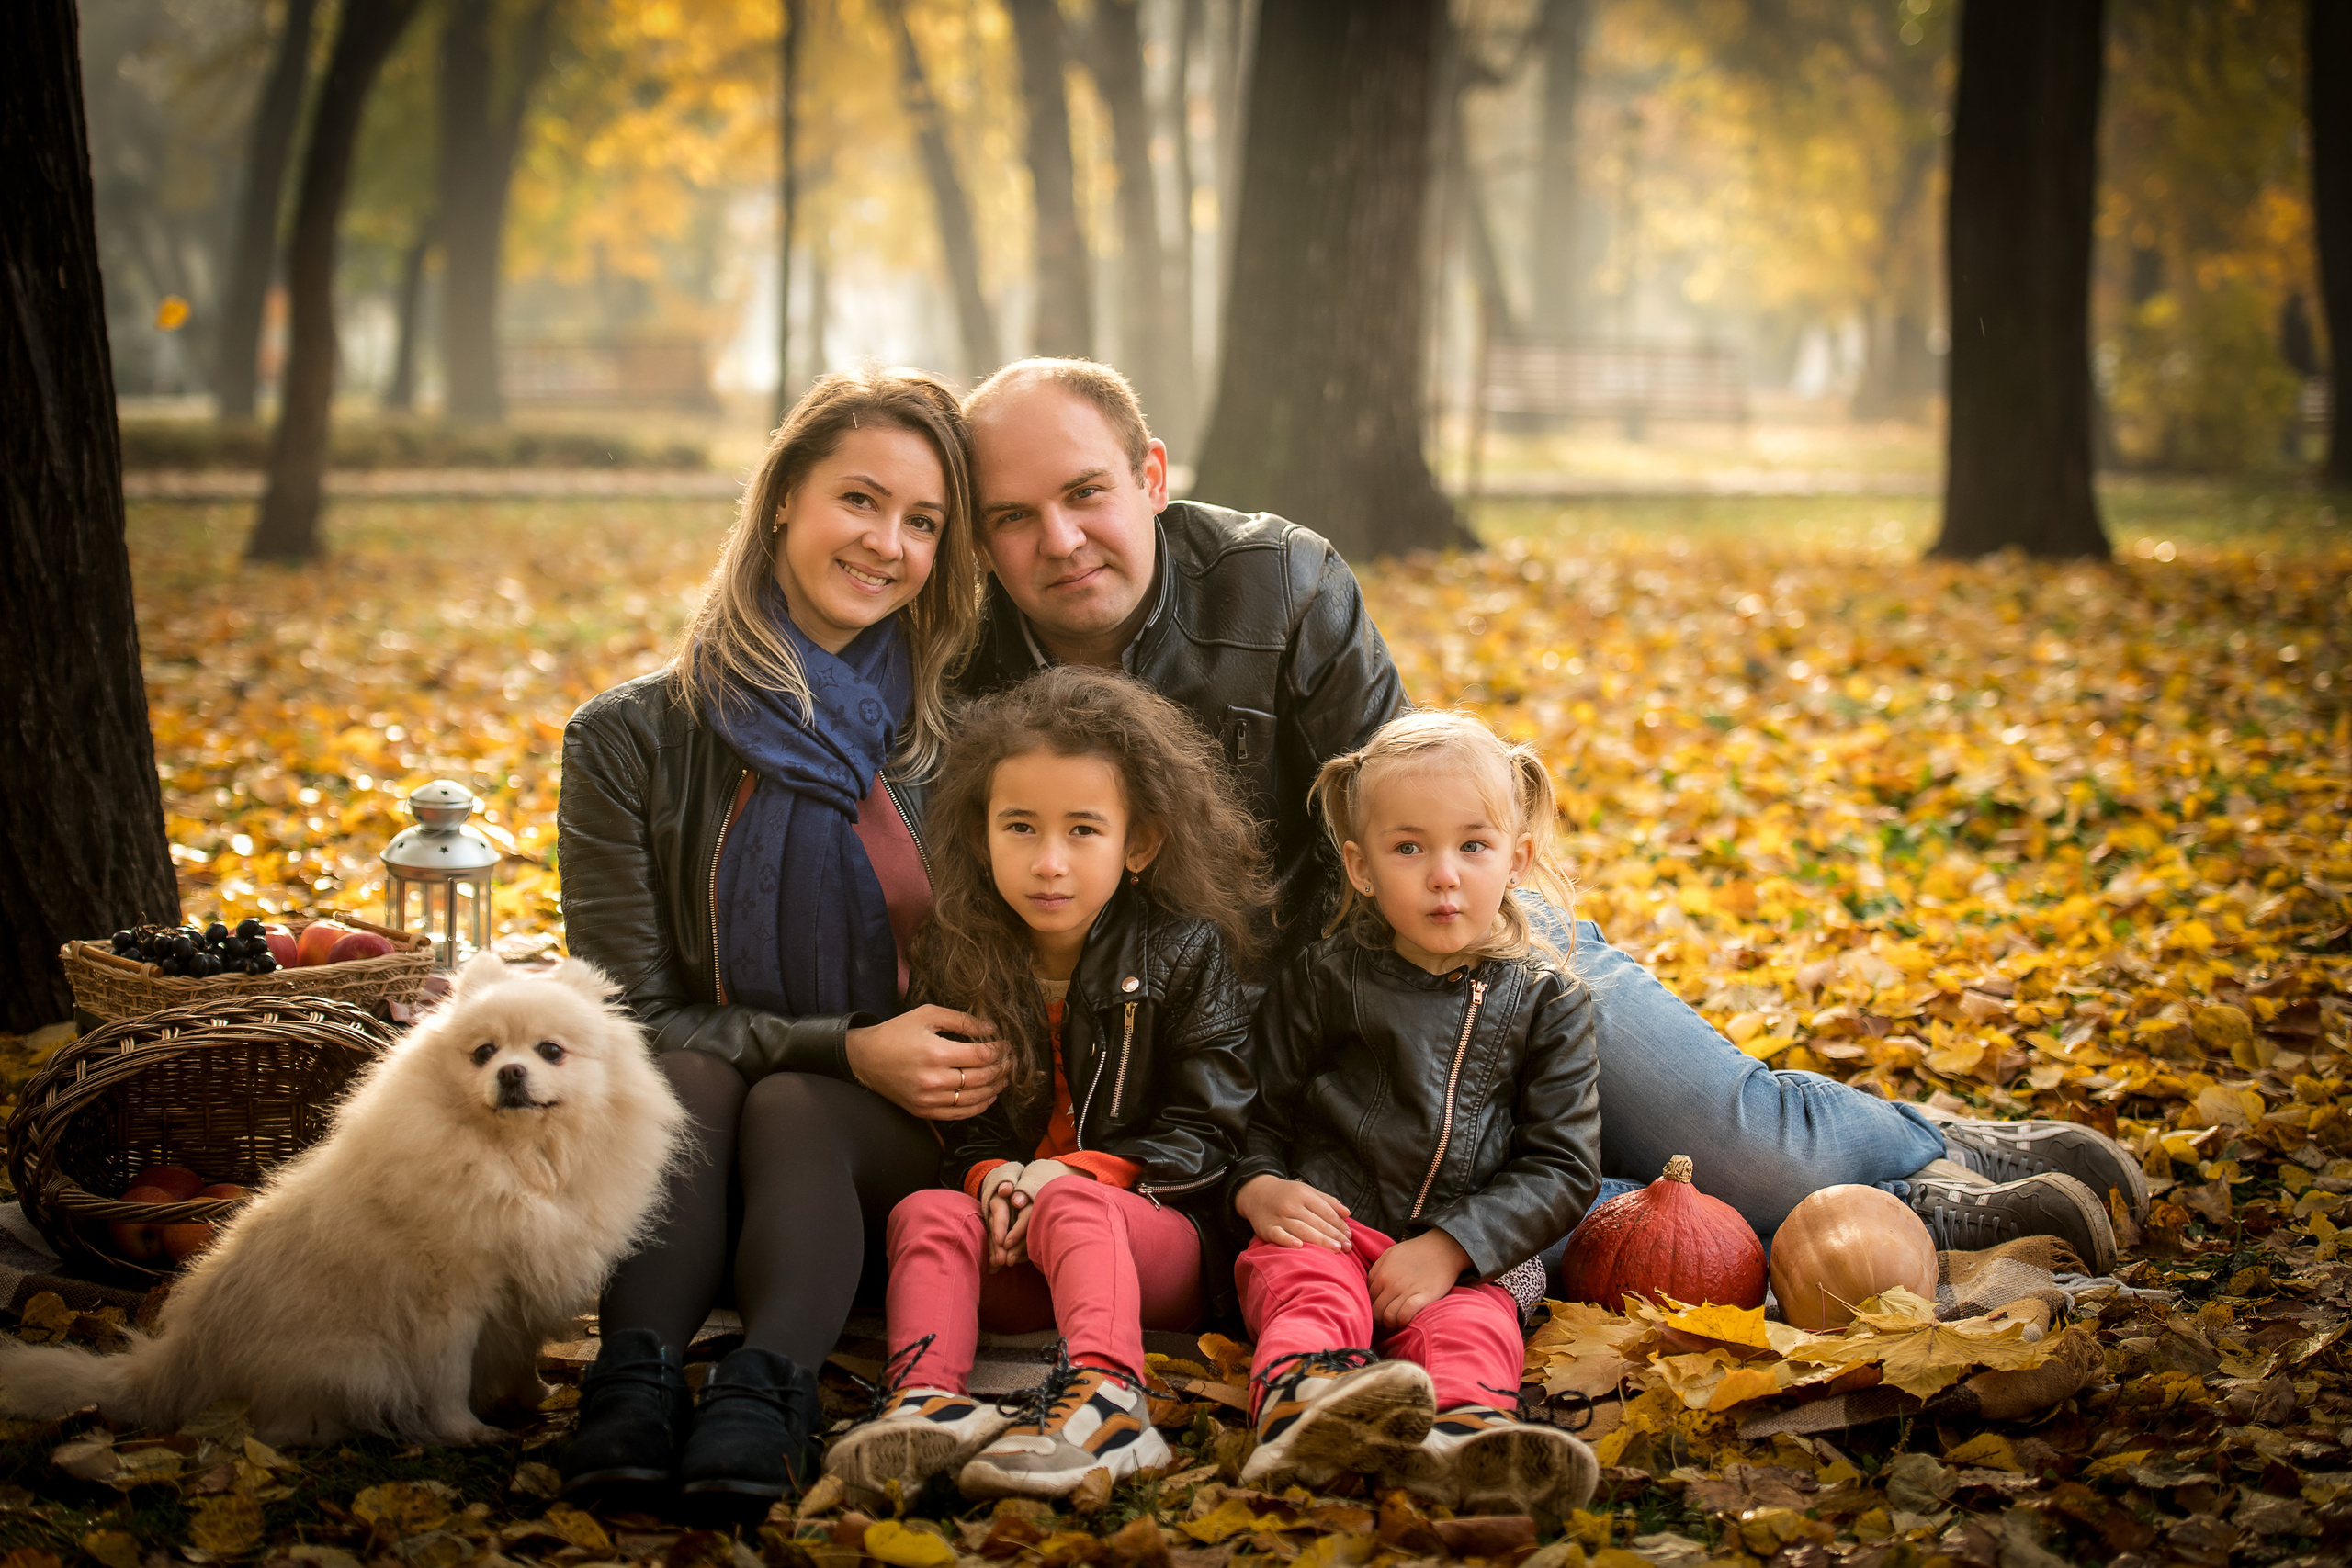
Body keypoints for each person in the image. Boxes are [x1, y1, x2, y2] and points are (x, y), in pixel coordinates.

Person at [955, 357, 2144, 1268]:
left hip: (1438, 937)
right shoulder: (963, 670)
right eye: (1012, 516)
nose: (1058, 540)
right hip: (1226, 1055)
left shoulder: (1281, 581)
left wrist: (1448, 996)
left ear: (1151, 476)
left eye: (1086, 492)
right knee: (1574, 1205)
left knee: (1733, 1135)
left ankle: (1921, 1147)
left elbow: (1412, 809)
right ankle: (1885, 1204)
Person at [555, 370, 1005, 1511]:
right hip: (697, 1117)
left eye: (923, 522)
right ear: (780, 505)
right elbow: (632, 1014)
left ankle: (769, 1393)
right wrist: (843, 1041)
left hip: (894, 1130)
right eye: (860, 500)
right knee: (700, 1072)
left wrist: (889, 1064)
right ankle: (634, 1382)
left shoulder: (963, 743)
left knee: (793, 1105)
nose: (886, 543)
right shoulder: (629, 741)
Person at [823, 667, 1263, 1503]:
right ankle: (927, 1402)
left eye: (1083, 831)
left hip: (1152, 1244)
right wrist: (990, 1179)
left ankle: (1108, 1403)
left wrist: (1074, 1173)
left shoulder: (1183, 952)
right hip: (1013, 1241)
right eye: (1019, 827)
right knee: (926, 1208)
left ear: (1139, 843)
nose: (1048, 862)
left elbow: (1211, 1129)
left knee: (1073, 1204)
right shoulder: (961, 953)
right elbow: (963, 1128)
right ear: (980, 831)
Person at [1229, 709, 1600, 1517]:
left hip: (1471, 1252)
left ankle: (1462, 1441)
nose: (1443, 874)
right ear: (1360, 867)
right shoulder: (1325, 978)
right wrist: (1259, 1186)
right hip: (1333, 1222)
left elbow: (1564, 1164)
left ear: (1518, 857)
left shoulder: (1550, 1002)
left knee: (1471, 1331)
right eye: (1410, 848)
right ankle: (1305, 1405)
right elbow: (1261, 1109)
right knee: (1306, 1288)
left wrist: (1452, 1247)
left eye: (1473, 845)